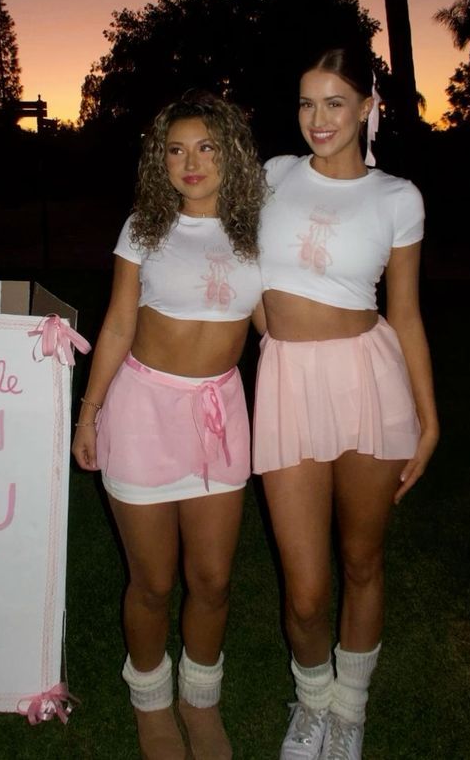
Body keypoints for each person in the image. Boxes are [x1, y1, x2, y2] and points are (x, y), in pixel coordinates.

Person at [253, 45, 439, 760]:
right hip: (288, 384)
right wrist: (264, 326)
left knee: (362, 561)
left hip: (369, 379)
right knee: (304, 588)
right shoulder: (272, 176)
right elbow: (236, 261)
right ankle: (312, 698)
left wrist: (429, 416)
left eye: (335, 102)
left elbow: (408, 313)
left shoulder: (398, 197)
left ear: (367, 107)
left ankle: (349, 709)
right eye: (306, 103)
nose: (318, 118)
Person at [72, 92, 266, 760]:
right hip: (142, 410)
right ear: (161, 160)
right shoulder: (144, 228)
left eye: (206, 146)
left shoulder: (257, 233)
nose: (191, 161)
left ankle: (200, 697)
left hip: (219, 415)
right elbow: (120, 322)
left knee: (211, 578)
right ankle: (151, 699)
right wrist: (90, 410)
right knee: (152, 580)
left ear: (231, 155)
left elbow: (277, 328)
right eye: (176, 149)